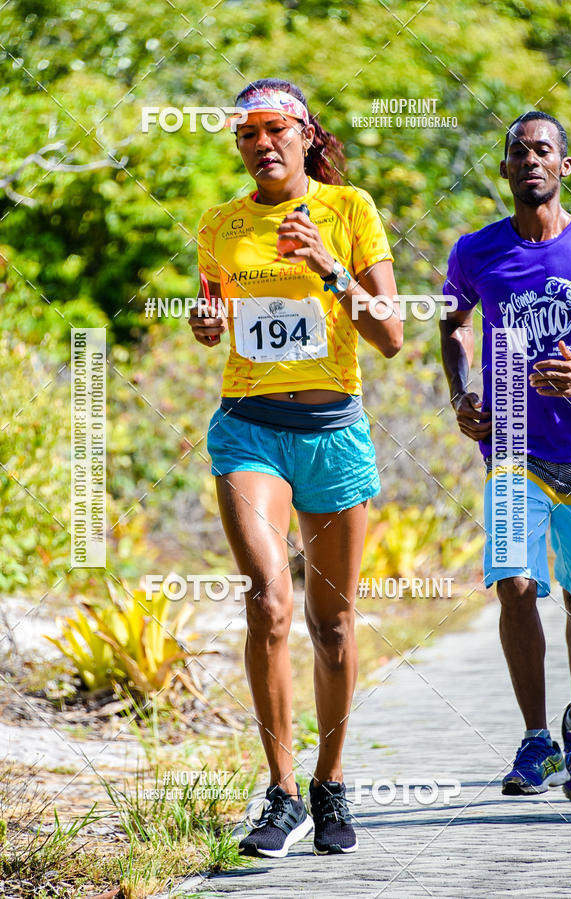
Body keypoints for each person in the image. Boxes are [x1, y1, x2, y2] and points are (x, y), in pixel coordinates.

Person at [188, 78, 402, 856]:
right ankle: (281, 793)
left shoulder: (350, 210)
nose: (261, 143)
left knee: (334, 622)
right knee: (270, 602)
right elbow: (214, 317)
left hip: (334, 433)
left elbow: (391, 337)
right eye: (246, 133)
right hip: (249, 429)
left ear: (307, 133)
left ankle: (331, 784)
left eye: (275, 128)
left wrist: (330, 269)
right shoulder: (220, 224)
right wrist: (207, 322)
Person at [440, 110, 571, 799]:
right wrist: (461, 392)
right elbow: (450, 322)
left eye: (544, 150)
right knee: (515, 583)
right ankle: (536, 739)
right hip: (511, 445)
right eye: (518, 151)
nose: (530, 159)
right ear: (504, 169)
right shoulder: (476, 251)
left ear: (564, 167)